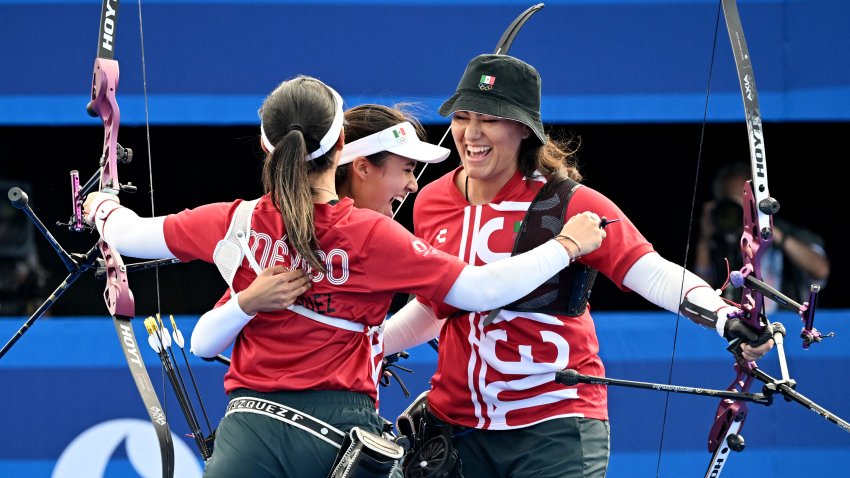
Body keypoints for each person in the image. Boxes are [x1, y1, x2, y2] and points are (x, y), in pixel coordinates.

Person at [82, 75, 607, 478]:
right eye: (402, 169)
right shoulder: (372, 237)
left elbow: (130, 235)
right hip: (336, 439)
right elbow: (480, 289)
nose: (409, 186)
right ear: (342, 153)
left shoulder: (235, 222)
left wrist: (98, 206)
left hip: (248, 436)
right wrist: (566, 245)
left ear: (269, 148)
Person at [381, 54, 777, 478]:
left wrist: (726, 318)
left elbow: (651, 270)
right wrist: (364, 347)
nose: (470, 133)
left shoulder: (571, 202)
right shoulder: (431, 201)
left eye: (491, 119)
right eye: (462, 116)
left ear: (524, 128)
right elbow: (433, 307)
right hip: (457, 428)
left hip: (555, 425)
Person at [694, 161, 830, 314]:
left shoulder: (788, 233)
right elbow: (700, 298)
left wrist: (771, 231)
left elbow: (821, 269)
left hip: (788, 326)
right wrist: (704, 240)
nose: (742, 209)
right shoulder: (720, 242)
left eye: (746, 200)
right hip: (742, 329)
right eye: (735, 203)